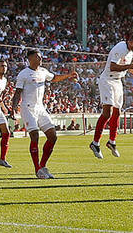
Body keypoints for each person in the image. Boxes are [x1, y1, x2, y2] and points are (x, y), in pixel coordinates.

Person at [10, 50, 78, 180]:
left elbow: (54, 78)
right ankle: (37, 169)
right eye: (37, 56)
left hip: (40, 107)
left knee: (52, 136)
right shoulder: (23, 74)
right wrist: (13, 109)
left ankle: (42, 165)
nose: (40, 58)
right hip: (28, 108)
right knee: (34, 135)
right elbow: (18, 92)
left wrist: (68, 75)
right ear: (30, 58)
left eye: (40, 56)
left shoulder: (43, 71)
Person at [90, 32, 133, 160]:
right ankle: (95, 143)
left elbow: (124, 68)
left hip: (118, 81)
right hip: (107, 80)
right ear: (131, 42)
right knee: (107, 113)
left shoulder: (131, 52)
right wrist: (130, 66)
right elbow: (113, 66)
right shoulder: (120, 48)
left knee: (117, 113)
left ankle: (112, 142)